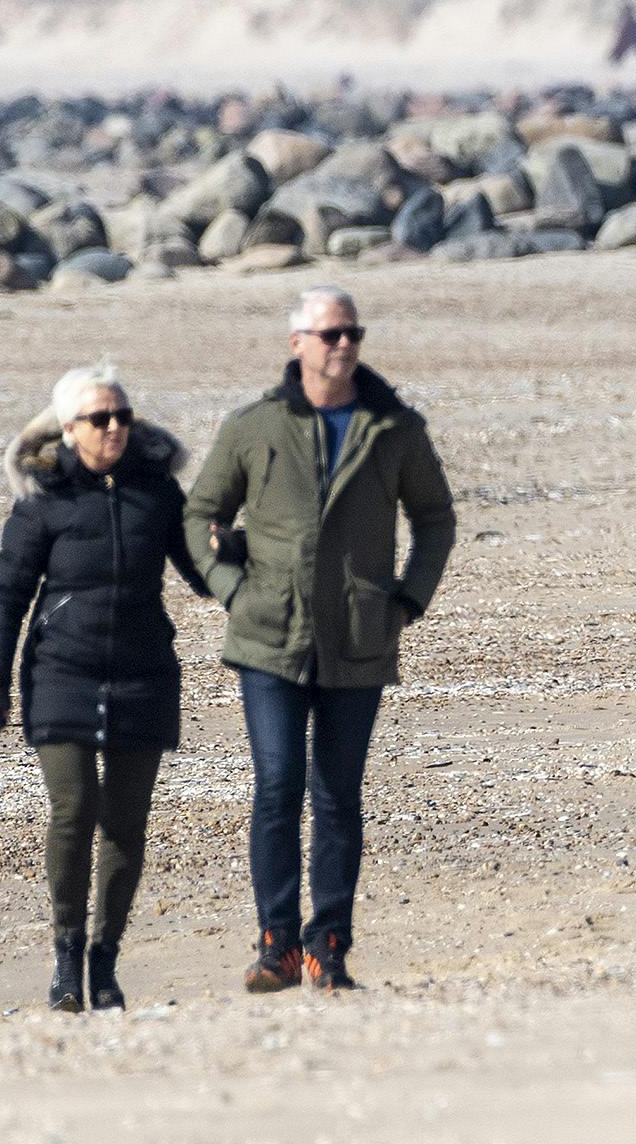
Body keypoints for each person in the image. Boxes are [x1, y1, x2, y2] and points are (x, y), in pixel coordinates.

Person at [185, 286, 455, 994]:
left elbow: (435, 518)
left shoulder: (394, 428)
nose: (343, 346)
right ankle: (275, 944)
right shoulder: (255, 426)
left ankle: (327, 947)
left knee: (337, 795)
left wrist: (406, 599)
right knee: (277, 786)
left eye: (352, 334)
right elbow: (200, 514)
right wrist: (231, 588)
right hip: (267, 638)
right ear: (297, 343)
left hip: (359, 639)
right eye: (329, 334)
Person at [0, 363, 204, 1012]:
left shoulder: (157, 494)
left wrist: (251, 553)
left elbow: (204, 570)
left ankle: (105, 959)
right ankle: (67, 950)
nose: (114, 428)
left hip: (142, 675)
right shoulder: (44, 499)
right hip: (62, 675)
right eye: (100, 419)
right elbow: (7, 594)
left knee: (127, 824)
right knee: (75, 810)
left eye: (123, 416)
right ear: (69, 429)